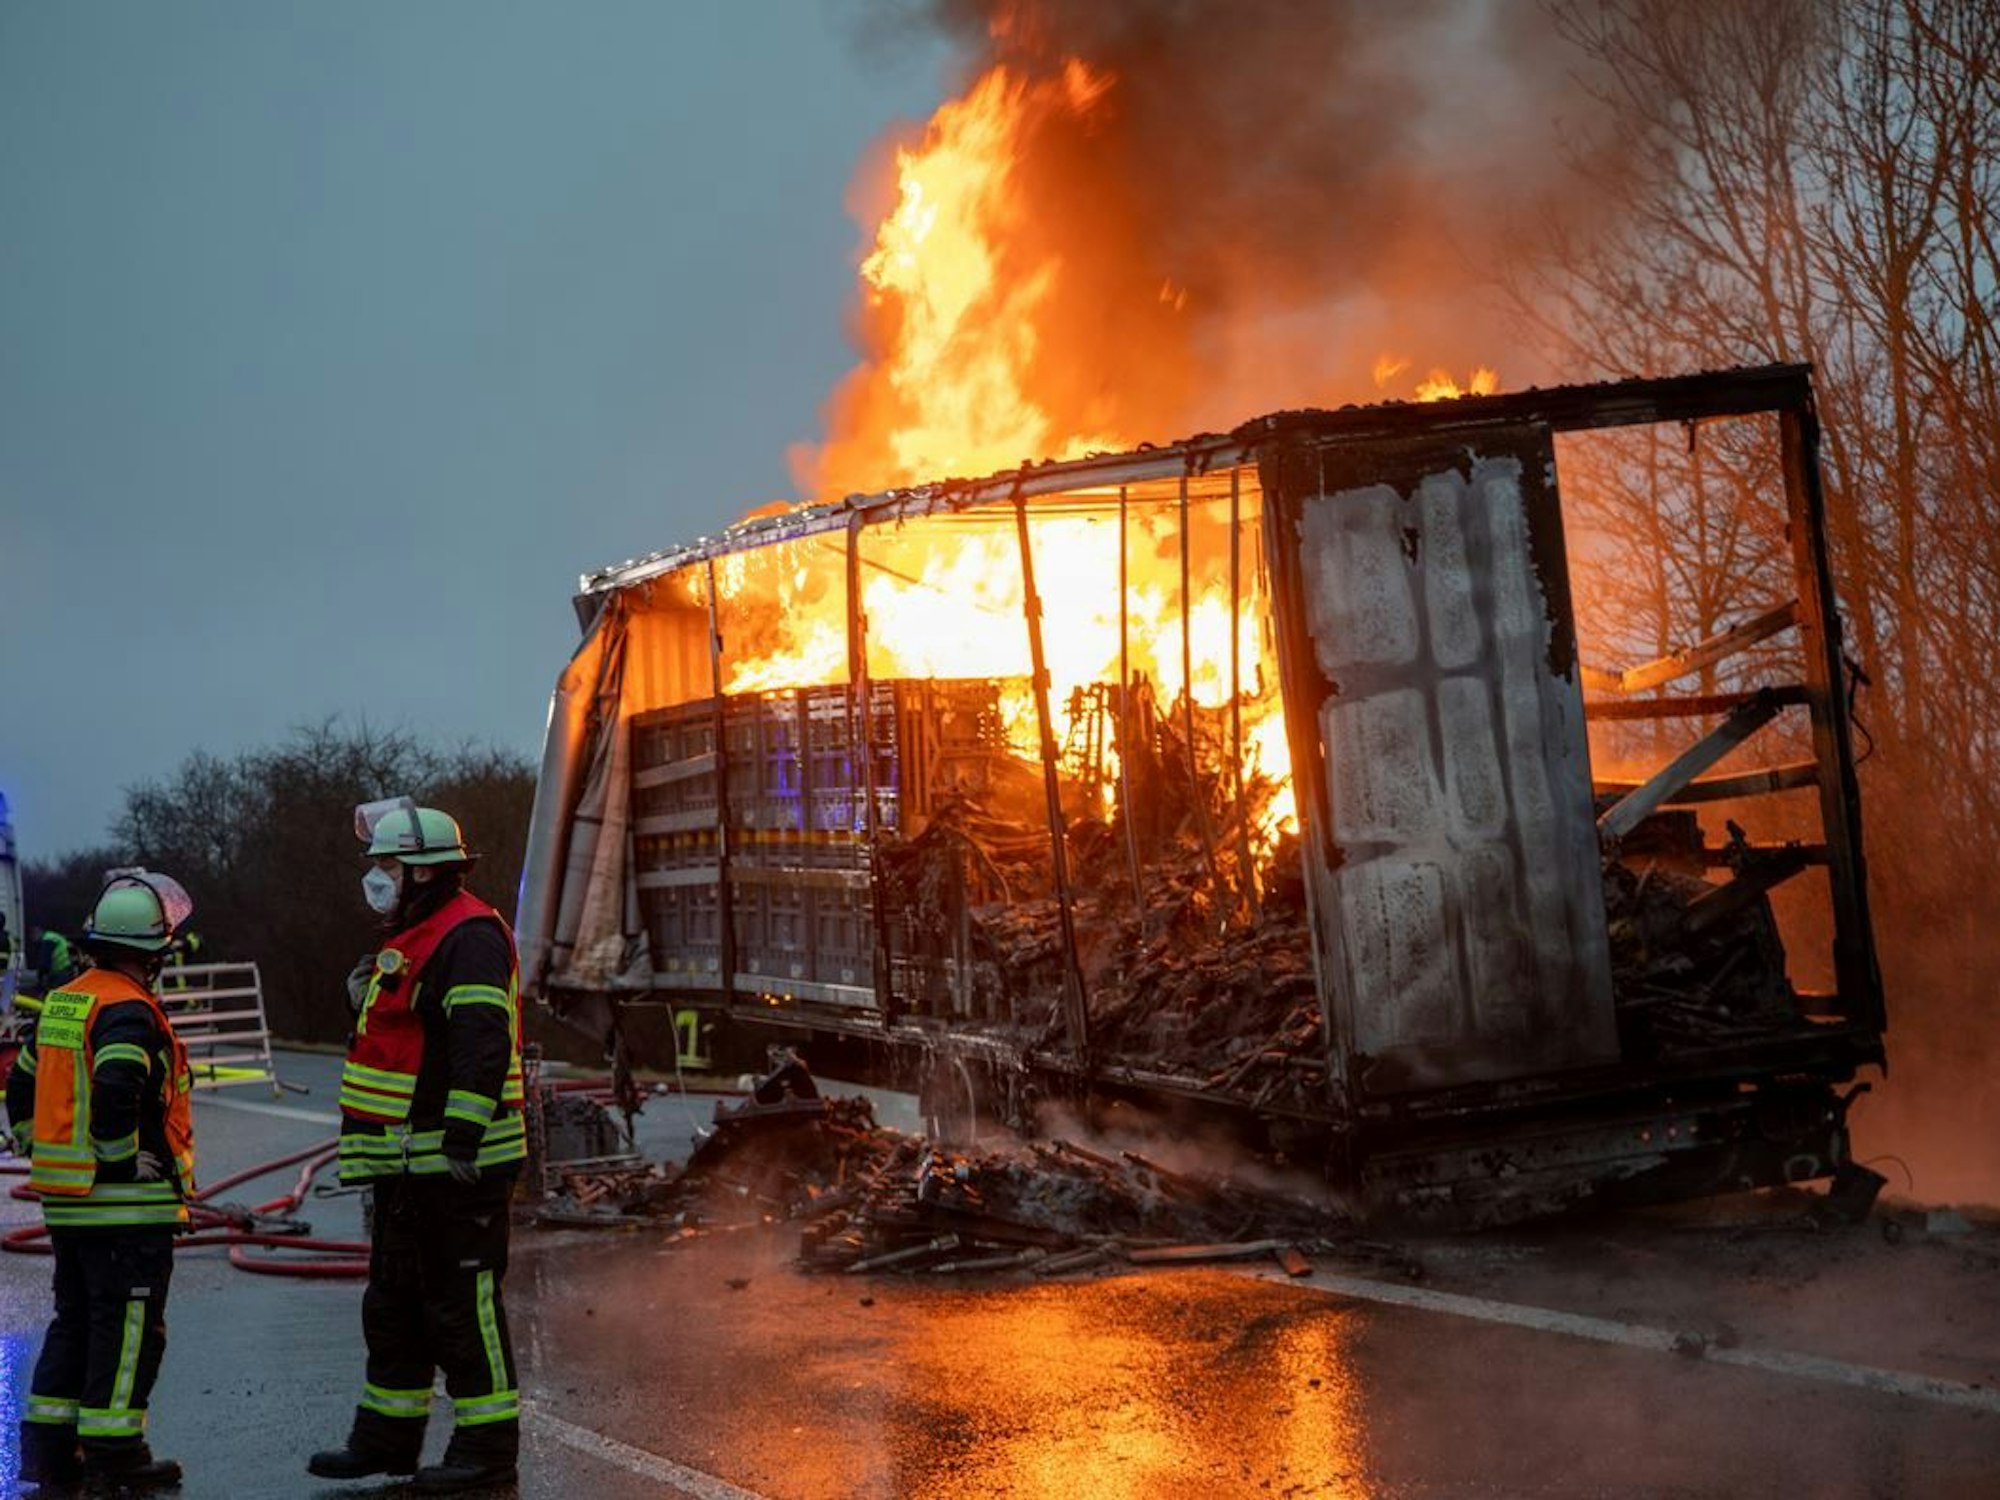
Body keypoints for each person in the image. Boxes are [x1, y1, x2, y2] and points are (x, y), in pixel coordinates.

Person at [309, 800, 527, 1495]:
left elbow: (482, 1039)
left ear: (425, 872)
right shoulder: (416, 935)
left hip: (456, 1165)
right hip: (406, 1165)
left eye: (387, 865)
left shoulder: (468, 935)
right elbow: (409, 1038)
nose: (375, 877)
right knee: (394, 1306)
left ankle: (486, 1453)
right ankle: (386, 1439)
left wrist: (464, 1133)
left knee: (462, 1308)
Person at [5, 871, 197, 1495]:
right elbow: (117, 1087)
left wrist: (39, 1144)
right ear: (152, 952)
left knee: (75, 1324)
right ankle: (117, 1456)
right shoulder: (129, 1010)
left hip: (70, 1207)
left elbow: (20, 1084)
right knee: (128, 1332)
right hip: (124, 1211)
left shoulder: (67, 1001)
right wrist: (119, 1161)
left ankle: (51, 1456)